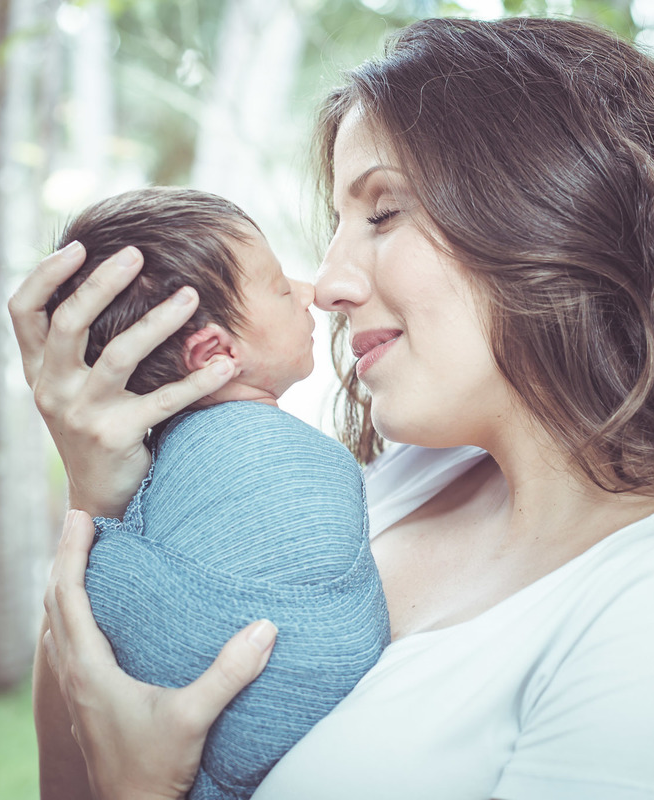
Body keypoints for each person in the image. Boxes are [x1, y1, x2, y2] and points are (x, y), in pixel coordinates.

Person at [11, 16, 654, 800]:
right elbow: (88, 747)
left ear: (549, 215)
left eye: (383, 213)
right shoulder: (392, 485)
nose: (328, 283)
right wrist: (105, 495)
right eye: (337, 222)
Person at [35, 187, 390, 799]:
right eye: (281, 287)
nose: (310, 292)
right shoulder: (272, 455)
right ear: (215, 354)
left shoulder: (171, 470)